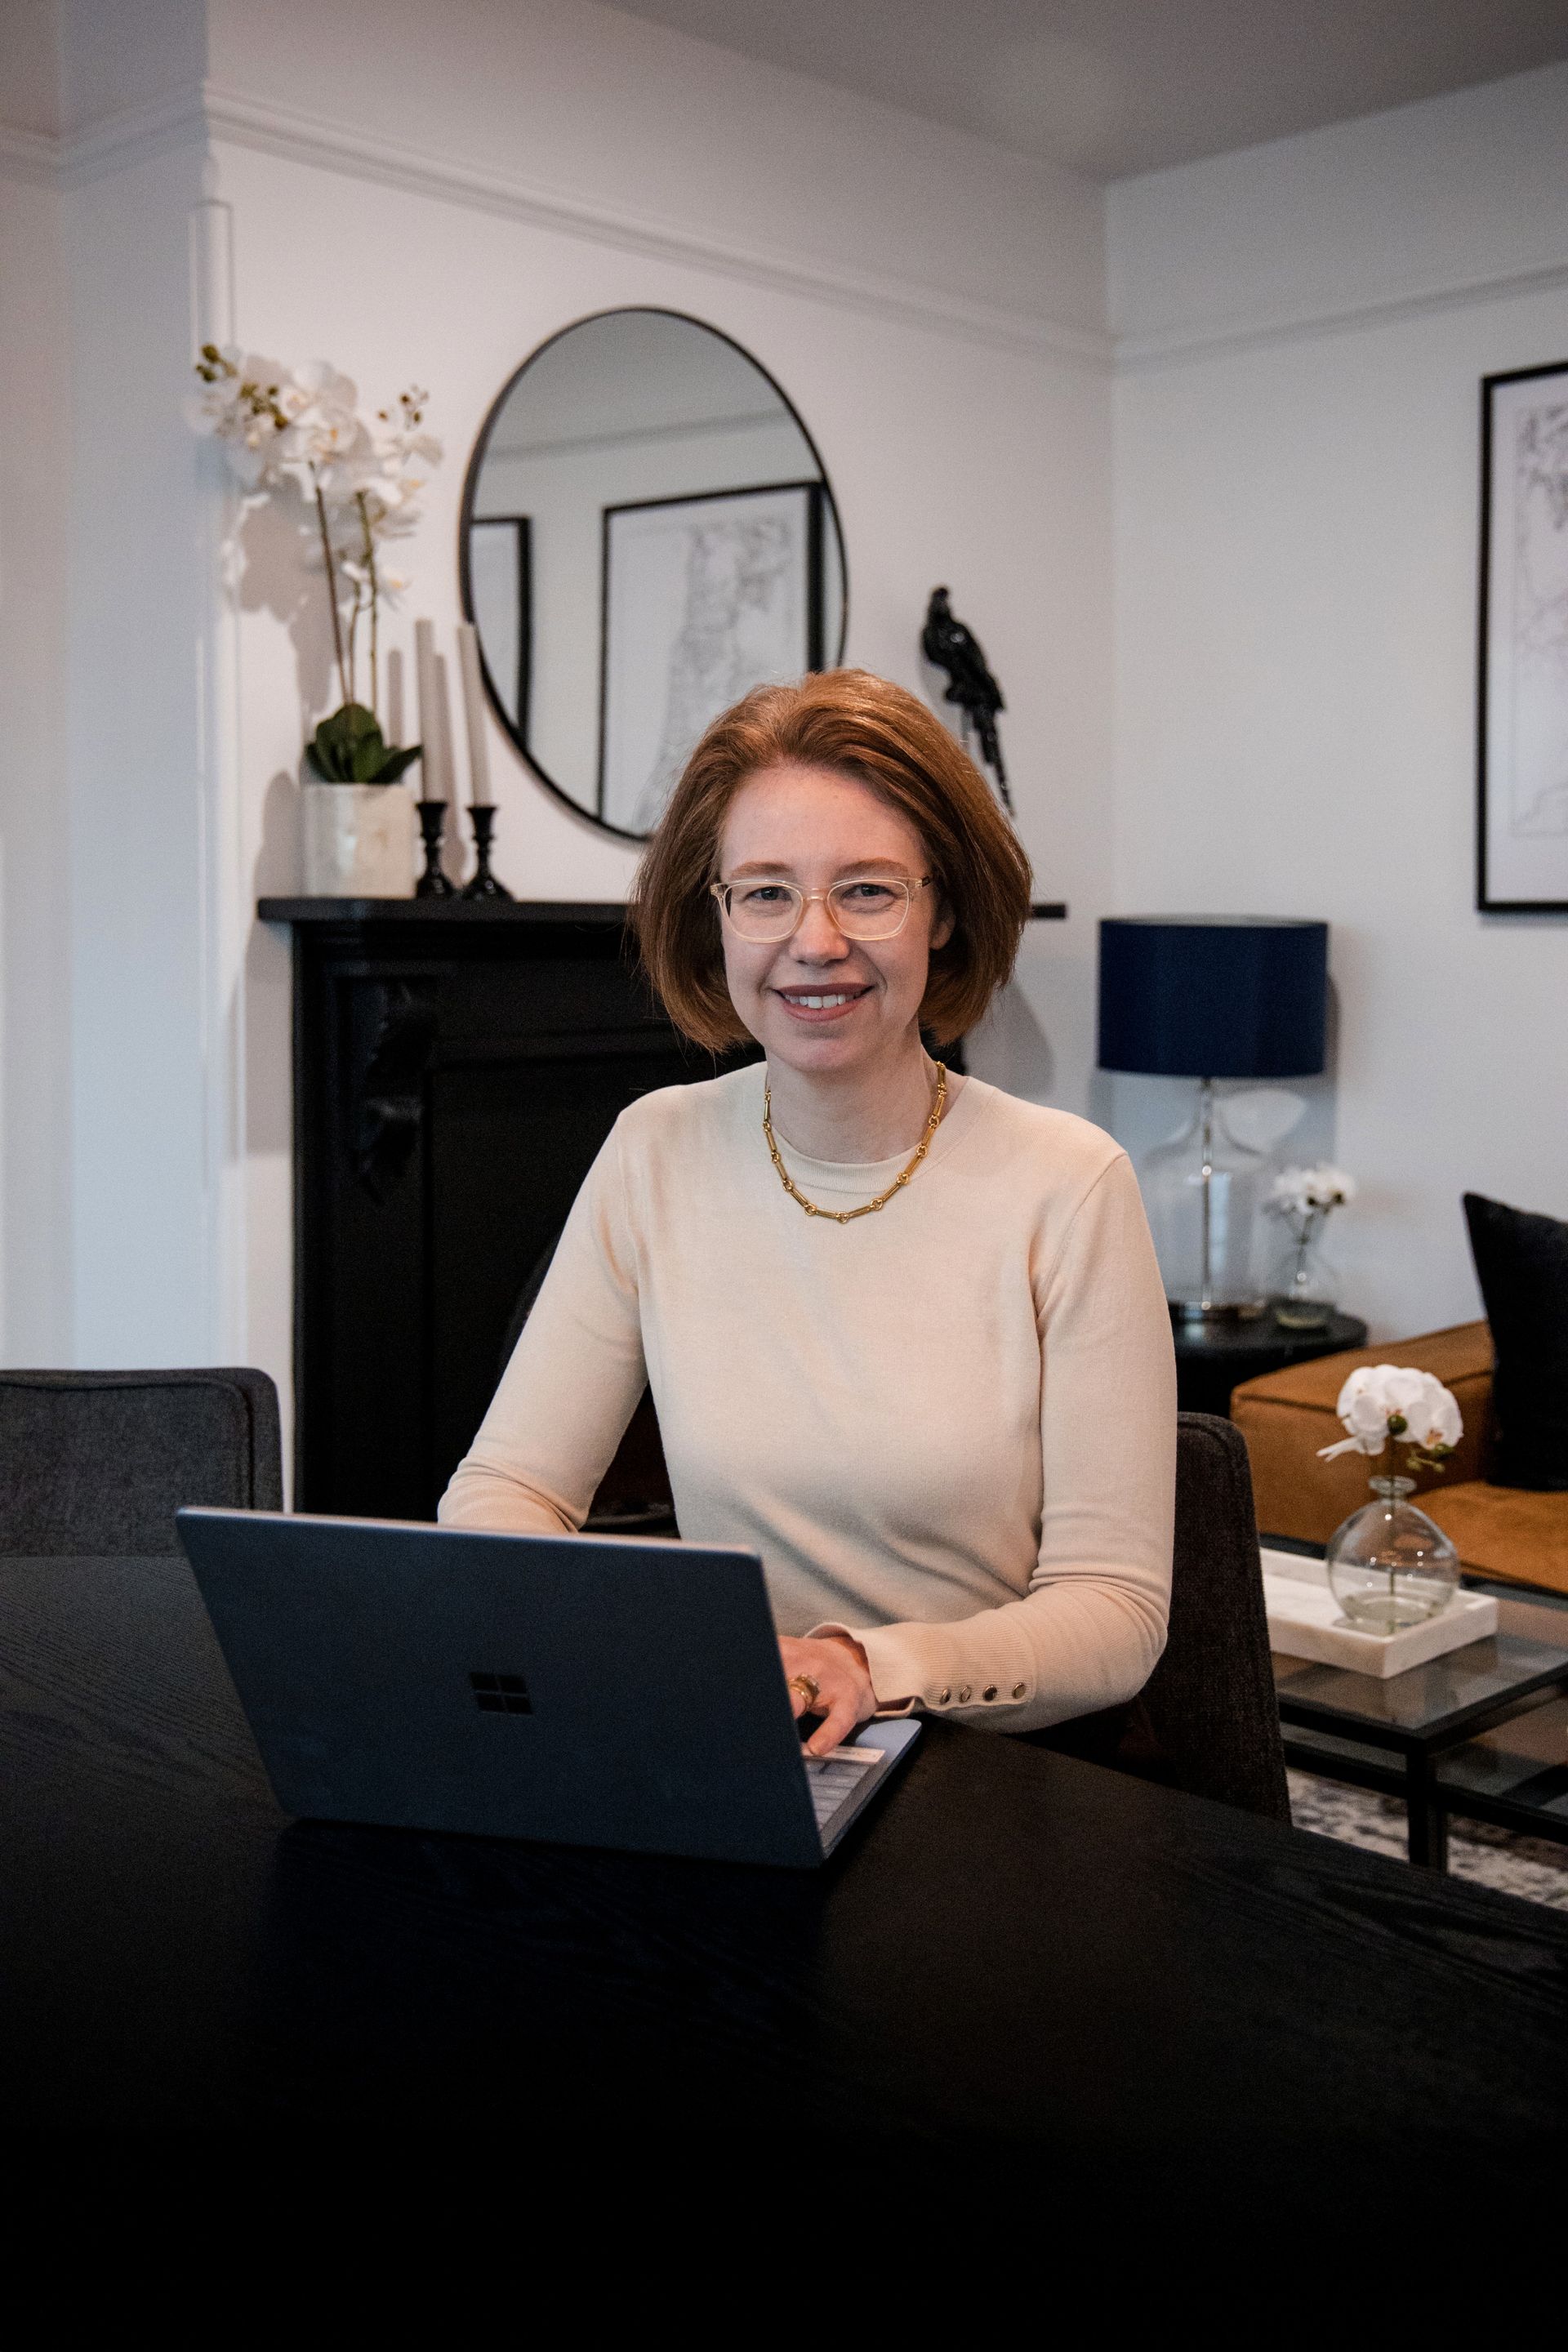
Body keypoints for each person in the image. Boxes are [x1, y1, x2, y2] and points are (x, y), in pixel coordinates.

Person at [440, 670, 1175, 1757]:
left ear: (947, 912)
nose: (814, 939)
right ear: (718, 918)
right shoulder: (658, 1149)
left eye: (869, 890)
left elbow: (1115, 1615)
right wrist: (614, 1641)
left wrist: (871, 1669)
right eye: (767, 891)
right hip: (736, 1736)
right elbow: (509, 1488)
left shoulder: (1070, 1183)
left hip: (989, 1766)